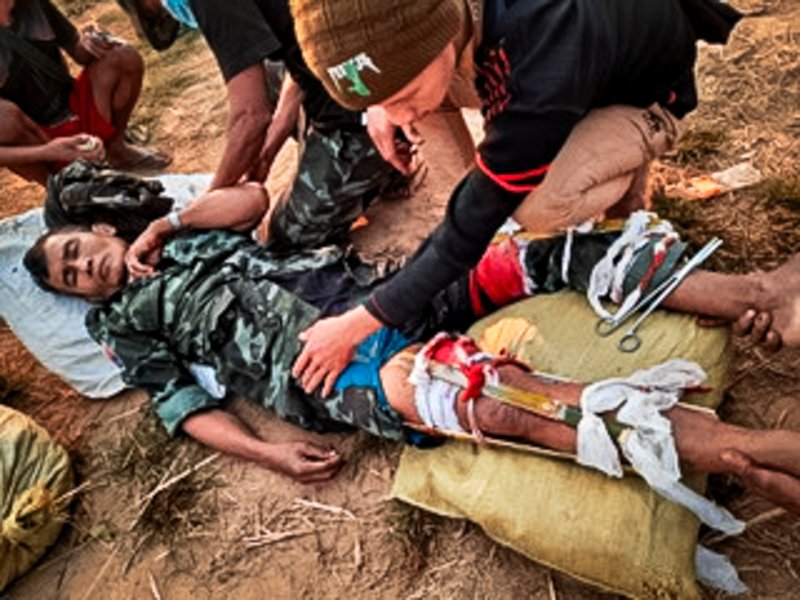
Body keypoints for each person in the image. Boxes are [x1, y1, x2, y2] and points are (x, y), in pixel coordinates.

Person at [22, 182, 800, 516]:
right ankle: (737, 453)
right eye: (69, 277)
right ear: (77, 295)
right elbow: (182, 405)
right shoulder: (122, 325)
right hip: (335, 368)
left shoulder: (178, 240)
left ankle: (759, 294)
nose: (83, 269)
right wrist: (270, 454)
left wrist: (171, 223)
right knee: (487, 399)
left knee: (539, 254)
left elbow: (252, 201)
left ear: (99, 233)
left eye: (78, 252)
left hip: (382, 292)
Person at [287, 0, 744, 395]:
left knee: (533, 206)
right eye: (389, 101)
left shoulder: (540, 49)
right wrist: (380, 100)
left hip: (644, 97)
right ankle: (510, 173)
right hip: (581, 64)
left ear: (441, 29)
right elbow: (375, 42)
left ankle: (626, 165)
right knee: (437, 125)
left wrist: (359, 323)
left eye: (404, 95)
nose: (400, 113)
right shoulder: (432, 22)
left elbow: (467, 230)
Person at [119, 0, 408, 250]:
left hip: (366, 103)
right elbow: (299, 48)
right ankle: (368, 166)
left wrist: (198, 211)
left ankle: (383, 161)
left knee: (287, 238)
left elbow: (250, 118)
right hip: (370, 68)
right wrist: (270, 147)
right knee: (268, 68)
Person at [0, 0, 170, 185]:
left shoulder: (34, 5)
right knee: (3, 117)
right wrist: (48, 150)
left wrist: (92, 41)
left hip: (75, 108)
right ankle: (58, 186)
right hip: (35, 138)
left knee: (123, 55)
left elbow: (76, 48)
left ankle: (115, 148)